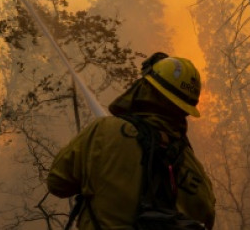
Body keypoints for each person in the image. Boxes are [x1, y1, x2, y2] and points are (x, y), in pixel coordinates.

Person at [46, 53, 215, 229]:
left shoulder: (103, 131)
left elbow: (57, 183)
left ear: (146, 88)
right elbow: (206, 216)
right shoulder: (191, 165)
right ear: (185, 110)